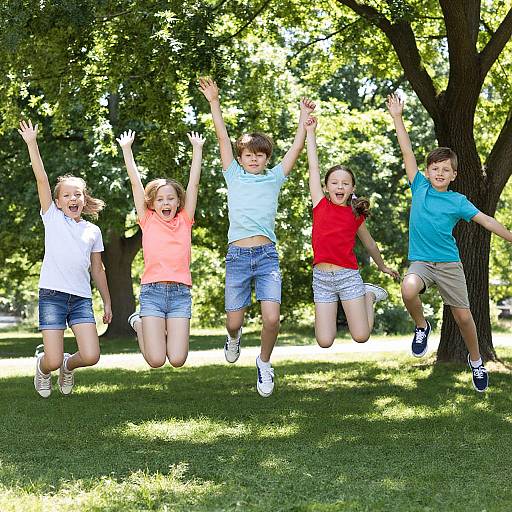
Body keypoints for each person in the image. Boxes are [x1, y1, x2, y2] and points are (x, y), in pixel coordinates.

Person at [387, 93, 512, 392]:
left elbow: (486, 220)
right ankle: (422, 327)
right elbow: (407, 153)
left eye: (446, 170)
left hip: (448, 263)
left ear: (454, 175)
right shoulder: (419, 187)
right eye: (435, 169)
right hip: (421, 261)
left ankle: (477, 361)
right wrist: (397, 119)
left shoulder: (458, 201)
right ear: (427, 172)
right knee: (407, 288)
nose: (439, 173)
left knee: (463, 317)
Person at [199, 76, 315, 397]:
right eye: (248, 154)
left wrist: (304, 122)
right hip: (237, 258)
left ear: (266, 158)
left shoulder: (274, 178)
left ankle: (264, 362)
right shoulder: (233, 174)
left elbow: (295, 148)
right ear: (239, 158)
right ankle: (233, 338)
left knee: (272, 318)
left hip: (266, 257)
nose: (254, 159)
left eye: (260, 155)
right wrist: (214, 102)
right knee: (234, 322)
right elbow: (222, 137)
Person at [18, 120, 112, 398]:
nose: (73, 198)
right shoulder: (52, 219)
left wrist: (106, 301)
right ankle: (44, 367)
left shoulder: (92, 230)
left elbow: (98, 268)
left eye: (78, 194)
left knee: (92, 355)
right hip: (52, 296)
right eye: (67, 195)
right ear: (58, 202)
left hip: (81, 299)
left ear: (84, 199)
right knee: (52, 358)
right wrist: (32, 143)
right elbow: (42, 179)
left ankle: (68, 367)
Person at [305, 116, 398, 347]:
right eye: (334, 183)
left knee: (361, 336)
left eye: (345, 183)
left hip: (348, 277)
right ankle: (366, 295)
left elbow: (370, 245)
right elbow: (313, 166)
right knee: (324, 341)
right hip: (322, 279)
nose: (339, 186)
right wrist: (310, 132)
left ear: (352, 189)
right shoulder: (319, 204)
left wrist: (382, 266)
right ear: (326, 187)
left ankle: (369, 294)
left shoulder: (355, 215)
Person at [118, 129, 204, 368]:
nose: (166, 203)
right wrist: (127, 150)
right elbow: (136, 184)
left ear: (179, 202)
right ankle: (138, 322)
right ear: (152, 204)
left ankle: (140, 322)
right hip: (152, 293)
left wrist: (197, 150)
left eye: (171, 199)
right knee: (155, 360)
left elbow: (194, 184)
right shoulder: (148, 220)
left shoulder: (185, 219)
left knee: (177, 360)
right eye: (160, 199)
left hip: (180, 294)